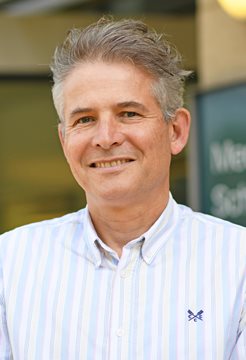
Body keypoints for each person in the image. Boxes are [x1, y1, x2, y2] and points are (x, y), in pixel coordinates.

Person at [0, 17, 245, 360]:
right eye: (84, 119)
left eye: (128, 113)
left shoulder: (238, 264)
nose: (106, 138)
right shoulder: (10, 264)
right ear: (63, 139)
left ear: (175, 131)